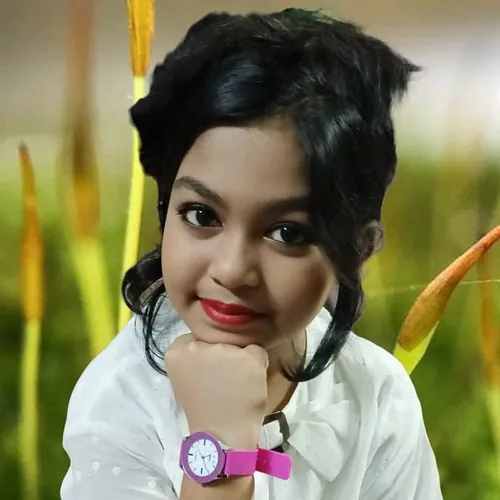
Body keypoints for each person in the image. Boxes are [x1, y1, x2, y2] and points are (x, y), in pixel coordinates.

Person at [60, 8, 443, 500]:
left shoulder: (377, 395)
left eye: (287, 232)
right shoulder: (121, 399)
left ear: (356, 250)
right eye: (202, 215)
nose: (233, 269)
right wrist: (219, 450)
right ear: (165, 207)